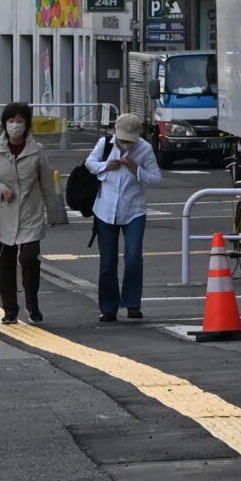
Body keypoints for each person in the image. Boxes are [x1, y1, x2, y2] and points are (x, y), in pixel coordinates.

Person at [0, 101, 51, 325]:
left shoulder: (36, 150)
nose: (15, 125)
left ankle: (32, 304)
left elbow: (47, 183)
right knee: (5, 264)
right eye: (11, 121)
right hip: (3, 213)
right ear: (4, 124)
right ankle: (10, 309)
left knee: (29, 259)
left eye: (20, 121)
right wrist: (0, 189)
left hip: (30, 213)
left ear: (27, 124)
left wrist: (55, 213)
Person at [85, 109, 160, 322]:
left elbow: (156, 177)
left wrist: (137, 170)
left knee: (133, 256)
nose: (125, 145)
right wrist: (106, 166)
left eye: (129, 141)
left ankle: (132, 303)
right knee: (108, 261)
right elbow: (89, 163)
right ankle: (108, 307)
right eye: (122, 140)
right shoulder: (105, 144)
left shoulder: (144, 149)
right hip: (105, 209)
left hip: (134, 210)